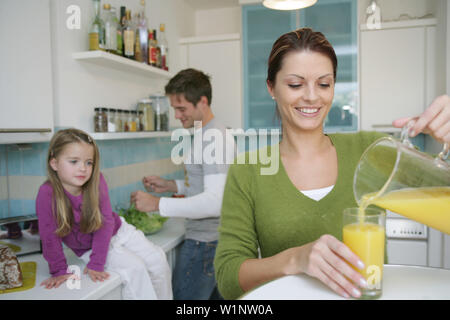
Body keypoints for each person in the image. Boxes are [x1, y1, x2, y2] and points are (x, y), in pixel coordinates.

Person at [214, 28, 450, 300]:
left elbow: (443, 196)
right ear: (271, 88)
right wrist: (295, 259)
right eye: (295, 84)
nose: (312, 96)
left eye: (324, 84)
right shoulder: (247, 170)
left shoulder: (372, 150)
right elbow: (229, 277)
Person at [131, 68, 236, 300]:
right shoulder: (206, 133)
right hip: (212, 242)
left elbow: (215, 202)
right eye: (175, 109)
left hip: (205, 244)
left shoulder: (213, 138)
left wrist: (157, 204)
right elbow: (206, 185)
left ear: (203, 102)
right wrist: (171, 186)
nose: (177, 116)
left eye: (182, 109)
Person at [35, 128, 172, 300]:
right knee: (135, 268)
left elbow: (105, 222)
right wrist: (59, 270)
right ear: (54, 163)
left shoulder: (97, 181)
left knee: (157, 259)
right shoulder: (47, 194)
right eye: (74, 161)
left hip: (118, 231)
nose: (83, 169)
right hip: (89, 247)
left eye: (88, 163)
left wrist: (97, 263)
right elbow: (49, 235)